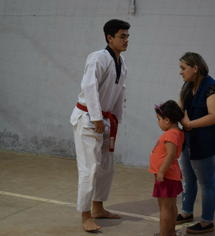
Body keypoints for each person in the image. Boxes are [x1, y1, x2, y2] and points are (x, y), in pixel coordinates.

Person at [70, 19, 130, 232]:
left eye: (127, 36)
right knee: (90, 168)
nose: (126, 40)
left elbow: (120, 92)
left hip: (106, 119)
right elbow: (89, 87)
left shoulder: (122, 62)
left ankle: (98, 208)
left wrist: (116, 120)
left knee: (106, 167)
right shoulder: (98, 57)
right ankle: (85, 215)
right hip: (88, 117)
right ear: (109, 37)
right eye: (122, 36)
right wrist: (96, 117)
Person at [176, 52, 215, 234]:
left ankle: (207, 222)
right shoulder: (187, 86)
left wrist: (189, 123)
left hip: (207, 142)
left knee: (206, 182)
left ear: (195, 68)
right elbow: (180, 108)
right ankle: (186, 213)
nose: (181, 72)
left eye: (183, 68)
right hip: (189, 140)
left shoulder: (213, 87)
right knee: (188, 180)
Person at [149, 100, 185, 236]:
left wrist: (161, 171)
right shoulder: (177, 132)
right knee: (171, 206)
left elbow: (170, 155)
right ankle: (170, 232)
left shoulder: (171, 134)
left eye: (159, 119)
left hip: (166, 176)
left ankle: (164, 234)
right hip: (171, 175)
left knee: (164, 208)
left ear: (167, 120)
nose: (158, 122)